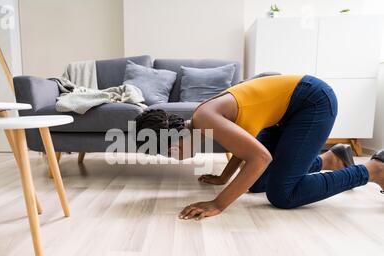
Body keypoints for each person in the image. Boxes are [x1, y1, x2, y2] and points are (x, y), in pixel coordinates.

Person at [134, 75, 384, 220]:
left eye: (169, 150)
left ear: (176, 136)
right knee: (255, 182)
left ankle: (373, 170)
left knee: (283, 195)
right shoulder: (203, 121)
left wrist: (218, 204)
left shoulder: (205, 119)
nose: (174, 157)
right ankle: (332, 159)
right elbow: (245, 149)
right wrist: (224, 177)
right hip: (287, 113)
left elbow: (259, 157)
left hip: (312, 102)